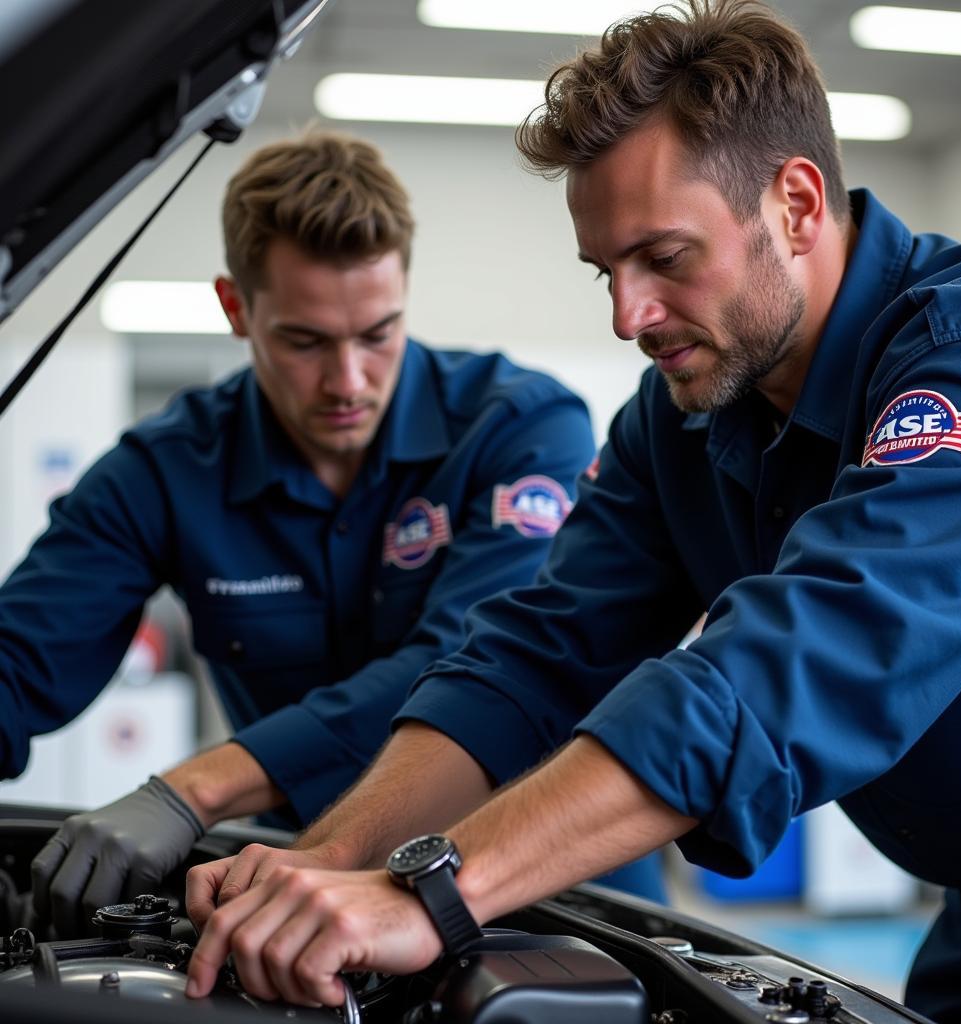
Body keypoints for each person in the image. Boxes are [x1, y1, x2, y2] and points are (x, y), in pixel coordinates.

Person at [182, 4, 961, 1021]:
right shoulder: (679, 421)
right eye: (606, 272)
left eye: (664, 258)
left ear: (795, 203)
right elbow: (532, 656)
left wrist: (434, 894)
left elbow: (807, 651)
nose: (628, 316)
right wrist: (317, 868)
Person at [4, 129, 620, 936]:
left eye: (377, 334)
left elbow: (469, 664)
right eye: (305, 342)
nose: (348, 381)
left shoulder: (520, 430)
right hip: (301, 882)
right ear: (236, 309)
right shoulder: (167, 471)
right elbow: (18, 662)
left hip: (541, 890)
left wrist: (191, 790)